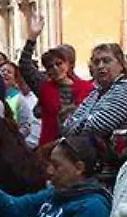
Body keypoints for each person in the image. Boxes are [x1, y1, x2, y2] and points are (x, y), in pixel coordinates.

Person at [19, 11, 95, 145]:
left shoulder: (87, 87)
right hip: (50, 146)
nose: (55, 68)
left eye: (59, 63)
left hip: (81, 146)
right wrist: (32, 37)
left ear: (68, 64)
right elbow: (24, 65)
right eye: (50, 66)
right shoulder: (44, 87)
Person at [61, 44, 127, 143]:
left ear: (121, 65)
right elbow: (66, 126)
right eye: (96, 62)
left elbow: (98, 127)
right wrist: (83, 122)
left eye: (106, 61)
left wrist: (76, 125)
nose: (100, 66)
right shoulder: (96, 92)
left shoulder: (125, 88)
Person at [0, 61, 40, 147]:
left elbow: (26, 125)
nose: (5, 73)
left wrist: (14, 141)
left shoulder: (18, 98)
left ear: (15, 79)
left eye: (9, 72)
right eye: (2, 71)